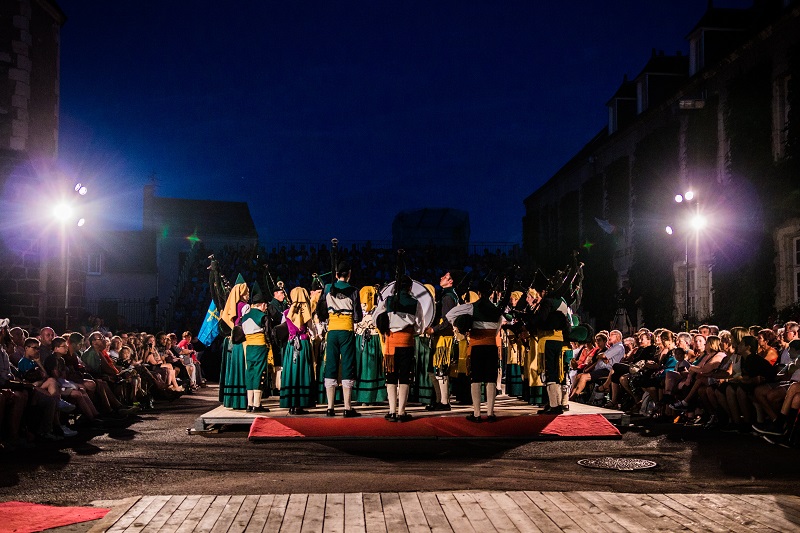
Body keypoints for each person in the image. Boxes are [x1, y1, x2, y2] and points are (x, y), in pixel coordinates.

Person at [447, 279, 502, 422]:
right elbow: (497, 330)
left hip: (476, 347)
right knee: (491, 380)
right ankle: (490, 413)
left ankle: (477, 414)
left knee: (476, 379)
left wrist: (461, 325)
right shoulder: (497, 310)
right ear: (491, 294)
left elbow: (450, 315)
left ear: (478, 293)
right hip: (491, 346)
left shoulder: (471, 307)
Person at [375, 275, 425, 422]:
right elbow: (420, 328)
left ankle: (392, 411)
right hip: (407, 342)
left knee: (391, 376)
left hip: (391, 342)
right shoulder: (415, 303)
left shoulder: (388, 300)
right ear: (410, 287)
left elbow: (375, 318)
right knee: (404, 377)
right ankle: (402, 412)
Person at [317, 261, 363, 417]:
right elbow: (357, 316)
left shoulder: (327, 288)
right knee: (348, 365)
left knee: (331, 364)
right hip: (346, 331)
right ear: (349, 274)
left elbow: (321, 311)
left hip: (332, 331)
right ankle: (347, 408)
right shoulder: (354, 290)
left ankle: (330, 407)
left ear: (336, 275)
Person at [424, 270, 460, 411]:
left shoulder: (448, 297)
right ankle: (440, 400)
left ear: (451, 281)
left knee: (441, 370)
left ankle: (444, 402)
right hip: (442, 337)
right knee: (436, 370)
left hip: (444, 338)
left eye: (445, 277)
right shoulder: (448, 295)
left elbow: (447, 321)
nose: (441, 277)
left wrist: (434, 330)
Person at [280, 287, 316, 413]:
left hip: (291, 345)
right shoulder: (306, 312)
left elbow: (284, 328)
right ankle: (300, 404)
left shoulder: (286, 312)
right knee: (302, 371)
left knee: (292, 371)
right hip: (303, 344)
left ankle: (291, 403)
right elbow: (312, 330)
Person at [219, 274, 249, 410]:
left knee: (234, 370)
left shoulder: (232, 306)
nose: (248, 294)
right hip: (243, 341)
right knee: (241, 370)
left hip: (233, 342)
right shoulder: (245, 306)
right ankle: (241, 400)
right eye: (246, 292)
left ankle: (232, 399)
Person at [353, 285, 387, 405]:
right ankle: (362, 396)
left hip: (372, 339)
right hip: (363, 339)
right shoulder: (362, 309)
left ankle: (371, 396)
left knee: (370, 367)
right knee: (362, 366)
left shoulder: (377, 309)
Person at [240, 281, 270, 413]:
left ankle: (250, 404)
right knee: (259, 372)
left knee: (250, 372)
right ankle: (257, 404)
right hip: (259, 346)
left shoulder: (245, 316)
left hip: (249, 347)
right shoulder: (263, 316)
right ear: (262, 304)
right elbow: (268, 333)